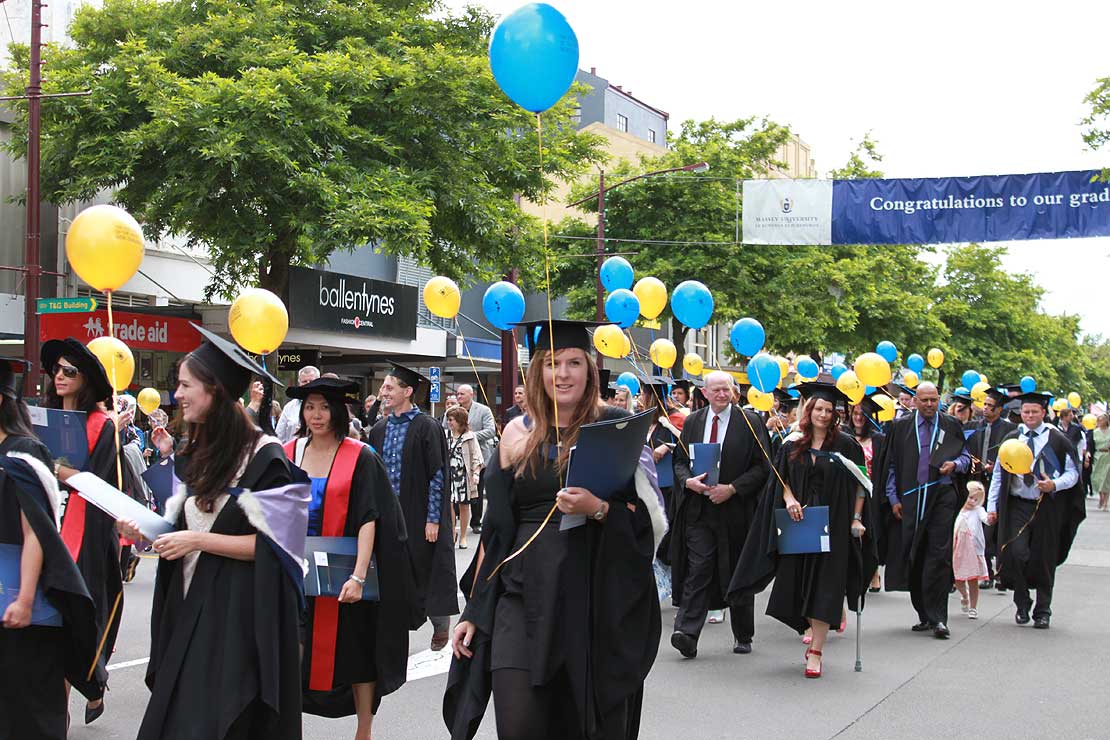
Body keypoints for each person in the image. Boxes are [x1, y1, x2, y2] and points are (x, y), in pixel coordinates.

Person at [444, 319, 664, 740]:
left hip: (591, 600)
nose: (562, 374)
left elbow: (648, 523)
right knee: (519, 725)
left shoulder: (616, 426)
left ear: (590, 370)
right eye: (551, 364)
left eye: (573, 363)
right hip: (521, 596)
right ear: (537, 372)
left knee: (582, 726)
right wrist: (475, 611)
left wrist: (599, 508)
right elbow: (497, 532)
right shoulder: (514, 433)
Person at [118, 324, 306, 739]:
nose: (177, 395)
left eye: (185, 385)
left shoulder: (267, 459)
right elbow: (185, 524)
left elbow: (280, 547)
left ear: (216, 390)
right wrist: (143, 530)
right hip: (191, 609)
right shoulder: (202, 452)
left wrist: (197, 541)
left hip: (238, 624)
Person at [283, 377, 415, 739]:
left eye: (325, 406)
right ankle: (287, 726)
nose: (316, 414)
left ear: (339, 411)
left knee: (357, 653)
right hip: (295, 569)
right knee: (291, 649)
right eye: (310, 406)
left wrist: (358, 577)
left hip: (342, 568)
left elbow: (369, 518)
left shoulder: (359, 455)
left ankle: (365, 728)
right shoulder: (289, 451)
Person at [729, 382, 875, 678]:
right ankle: (809, 626)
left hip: (834, 525)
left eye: (829, 410)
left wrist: (856, 518)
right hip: (799, 524)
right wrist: (790, 499)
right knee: (798, 582)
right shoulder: (792, 444)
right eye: (818, 408)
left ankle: (817, 651)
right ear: (809, 410)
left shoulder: (847, 446)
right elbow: (779, 482)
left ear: (836, 415)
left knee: (826, 584)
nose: (823, 414)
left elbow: (862, 485)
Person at [42, 337, 121, 723]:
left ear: (85, 379)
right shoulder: (40, 418)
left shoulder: (102, 426)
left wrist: (58, 472)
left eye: (68, 371)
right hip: (43, 527)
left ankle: (86, 687)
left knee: (74, 624)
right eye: (56, 369)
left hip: (84, 537)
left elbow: (102, 488)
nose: (59, 376)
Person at [0, 441, 100, 740]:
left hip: (21, 600)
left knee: (30, 711)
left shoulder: (23, 453)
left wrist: (25, 598)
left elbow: (36, 530)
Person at [670, 370, 771, 657]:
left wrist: (733, 488)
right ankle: (687, 633)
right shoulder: (693, 422)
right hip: (699, 510)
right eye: (715, 390)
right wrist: (687, 481)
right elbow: (679, 461)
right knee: (698, 568)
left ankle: (743, 634)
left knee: (737, 569)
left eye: (726, 390)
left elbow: (763, 467)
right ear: (704, 393)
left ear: (734, 392)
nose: (721, 395)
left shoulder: (750, 423)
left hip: (735, 509)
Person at [369, 363, 457, 651]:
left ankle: (440, 623)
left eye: (390, 387)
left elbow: (438, 474)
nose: (384, 391)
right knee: (394, 572)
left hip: (418, 512)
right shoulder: (380, 429)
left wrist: (434, 519)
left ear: (407, 392)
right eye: (383, 386)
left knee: (426, 567)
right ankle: (394, 629)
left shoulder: (426, 427)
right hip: (389, 513)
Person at [874, 381, 969, 639]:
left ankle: (939, 618)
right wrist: (893, 498)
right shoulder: (901, 427)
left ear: (939, 400)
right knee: (915, 554)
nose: (929, 405)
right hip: (911, 498)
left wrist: (956, 465)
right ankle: (924, 614)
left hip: (942, 495)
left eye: (933, 400)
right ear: (914, 401)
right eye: (924, 400)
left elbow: (966, 457)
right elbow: (891, 465)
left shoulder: (951, 425)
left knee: (938, 555)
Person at [987, 391, 1085, 629]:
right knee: (1016, 554)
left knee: (1044, 558)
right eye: (1026, 411)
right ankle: (1022, 601)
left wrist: (1054, 484)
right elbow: (999, 475)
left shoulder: (1058, 440)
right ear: (1021, 413)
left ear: (1043, 413)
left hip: (1047, 506)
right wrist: (992, 507)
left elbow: (1073, 473)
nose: (1029, 415)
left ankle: (1043, 611)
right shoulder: (1012, 439)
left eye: (1034, 412)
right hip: (1017, 504)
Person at [965, 387, 1018, 588]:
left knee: (996, 528)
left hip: (998, 483)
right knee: (979, 527)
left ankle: (1001, 572)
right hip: (977, 482)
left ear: (1000, 409)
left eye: (990, 406)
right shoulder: (974, 426)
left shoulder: (1009, 430)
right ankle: (984, 570)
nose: (985, 409)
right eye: (984, 404)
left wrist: (995, 463)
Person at [849, 395, 887, 592]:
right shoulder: (845, 436)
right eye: (855, 413)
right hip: (850, 492)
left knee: (871, 534)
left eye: (862, 414)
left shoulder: (878, 439)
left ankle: (874, 573)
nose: (858, 417)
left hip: (872, 492)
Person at [450, 384, 497, 536]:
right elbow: (445, 428)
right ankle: (456, 520)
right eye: (457, 394)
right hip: (457, 458)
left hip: (479, 456)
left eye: (462, 394)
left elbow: (491, 431)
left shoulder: (483, 410)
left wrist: (469, 437)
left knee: (476, 490)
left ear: (472, 394)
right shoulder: (453, 411)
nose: (459, 397)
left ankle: (476, 521)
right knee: (456, 492)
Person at [445, 406, 483, 550]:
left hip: (463, 475)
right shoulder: (445, 435)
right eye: (448, 419)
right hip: (449, 475)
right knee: (449, 505)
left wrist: (476, 473)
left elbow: (476, 457)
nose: (449, 423)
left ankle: (463, 537)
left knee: (464, 505)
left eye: (451, 420)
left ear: (460, 421)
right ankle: (452, 533)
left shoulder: (470, 436)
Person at [953, 481, 989, 619]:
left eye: (976, 499)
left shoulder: (978, 511)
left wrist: (990, 519)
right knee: (959, 579)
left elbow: (985, 519)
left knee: (973, 579)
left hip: (974, 549)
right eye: (970, 497)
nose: (972, 501)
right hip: (959, 550)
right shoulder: (959, 511)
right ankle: (964, 595)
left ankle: (973, 607)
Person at [275, 364, 321, 442]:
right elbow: (279, 437)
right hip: (292, 453)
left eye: (311, 381)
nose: (308, 384)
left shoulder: (327, 406)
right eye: (304, 381)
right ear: (299, 383)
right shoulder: (289, 407)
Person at [1093, 414, 1110, 510]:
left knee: (1107, 479)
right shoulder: (1095, 432)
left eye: (1102, 420)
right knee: (1097, 478)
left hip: (1108, 456)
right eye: (1099, 420)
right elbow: (1091, 445)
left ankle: (1106, 503)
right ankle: (1101, 496)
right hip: (1098, 456)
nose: (1100, 422)